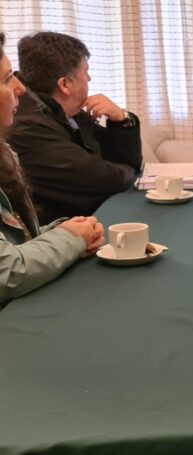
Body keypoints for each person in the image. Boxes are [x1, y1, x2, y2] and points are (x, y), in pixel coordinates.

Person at [0, 32, 104, 307]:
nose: (20, 88)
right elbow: (6, 272)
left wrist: (64, 230)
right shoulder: (28, 130)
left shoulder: (5, 151)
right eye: (8, 78)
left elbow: (15, 240)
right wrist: (70, 240)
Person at [7, 32, 142, 225]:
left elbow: (123, 163)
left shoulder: (63, 108)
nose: (89, 78)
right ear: (64, 84)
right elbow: (108, 180)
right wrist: (128, 170)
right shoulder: (26, 126)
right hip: (61, 232)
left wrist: (122, 120)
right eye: (86, 72)